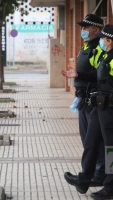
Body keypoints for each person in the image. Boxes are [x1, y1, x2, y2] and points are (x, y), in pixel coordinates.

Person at [61, 24, 113, 200]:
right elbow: (97, 76)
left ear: (109, 40)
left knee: (110, 149)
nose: (100, 41)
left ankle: (110, 186)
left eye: (102, 38)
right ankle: (83, 180)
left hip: (110, 109)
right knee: (90, 142)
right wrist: (78, 75)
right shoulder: (106, 56)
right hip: (100, 106)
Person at [65, 14, 106, 186]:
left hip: (97, 102)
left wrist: (79, 74)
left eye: (86, 28)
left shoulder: (99, 49)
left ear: (96, 30)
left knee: (99, 142)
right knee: (87, 140)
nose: (82, 30)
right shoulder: (87, 46)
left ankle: (100, 175)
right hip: (84, 99)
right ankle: (95, 174)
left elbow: (100, 75)